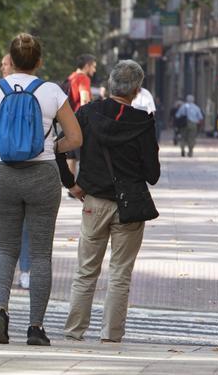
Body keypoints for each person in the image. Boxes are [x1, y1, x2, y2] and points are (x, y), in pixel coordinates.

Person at [0, 33, 82, 346]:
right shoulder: (52, 91)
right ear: (39, 61)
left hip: (3, 175)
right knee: (40, 254)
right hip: (43, 176)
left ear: (9, 59)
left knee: (5, 248)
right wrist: (52, 145)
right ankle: (36, 327)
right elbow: (77, 137)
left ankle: (0, 311)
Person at [63, 60, 160, 343]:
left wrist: (71, 183)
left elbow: (60, 145)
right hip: (130, 205)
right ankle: (111, 334)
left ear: (110, 83)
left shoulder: (88, 113)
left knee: (85, 270)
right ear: (136, 89)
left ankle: (74, 330)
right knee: (120, 272)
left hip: (93, 201)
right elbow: (152, 175)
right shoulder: (143, 122)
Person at [65, 54, 96, 175]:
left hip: (69, 120)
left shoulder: (71, 77)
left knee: (71, 155)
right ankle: (85, 186)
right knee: (86, 154)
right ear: (87, 66)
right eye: (93, 66)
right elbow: (84, 99)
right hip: (80, 121)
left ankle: (70, 185)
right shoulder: (83, 78)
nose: (94, 70)